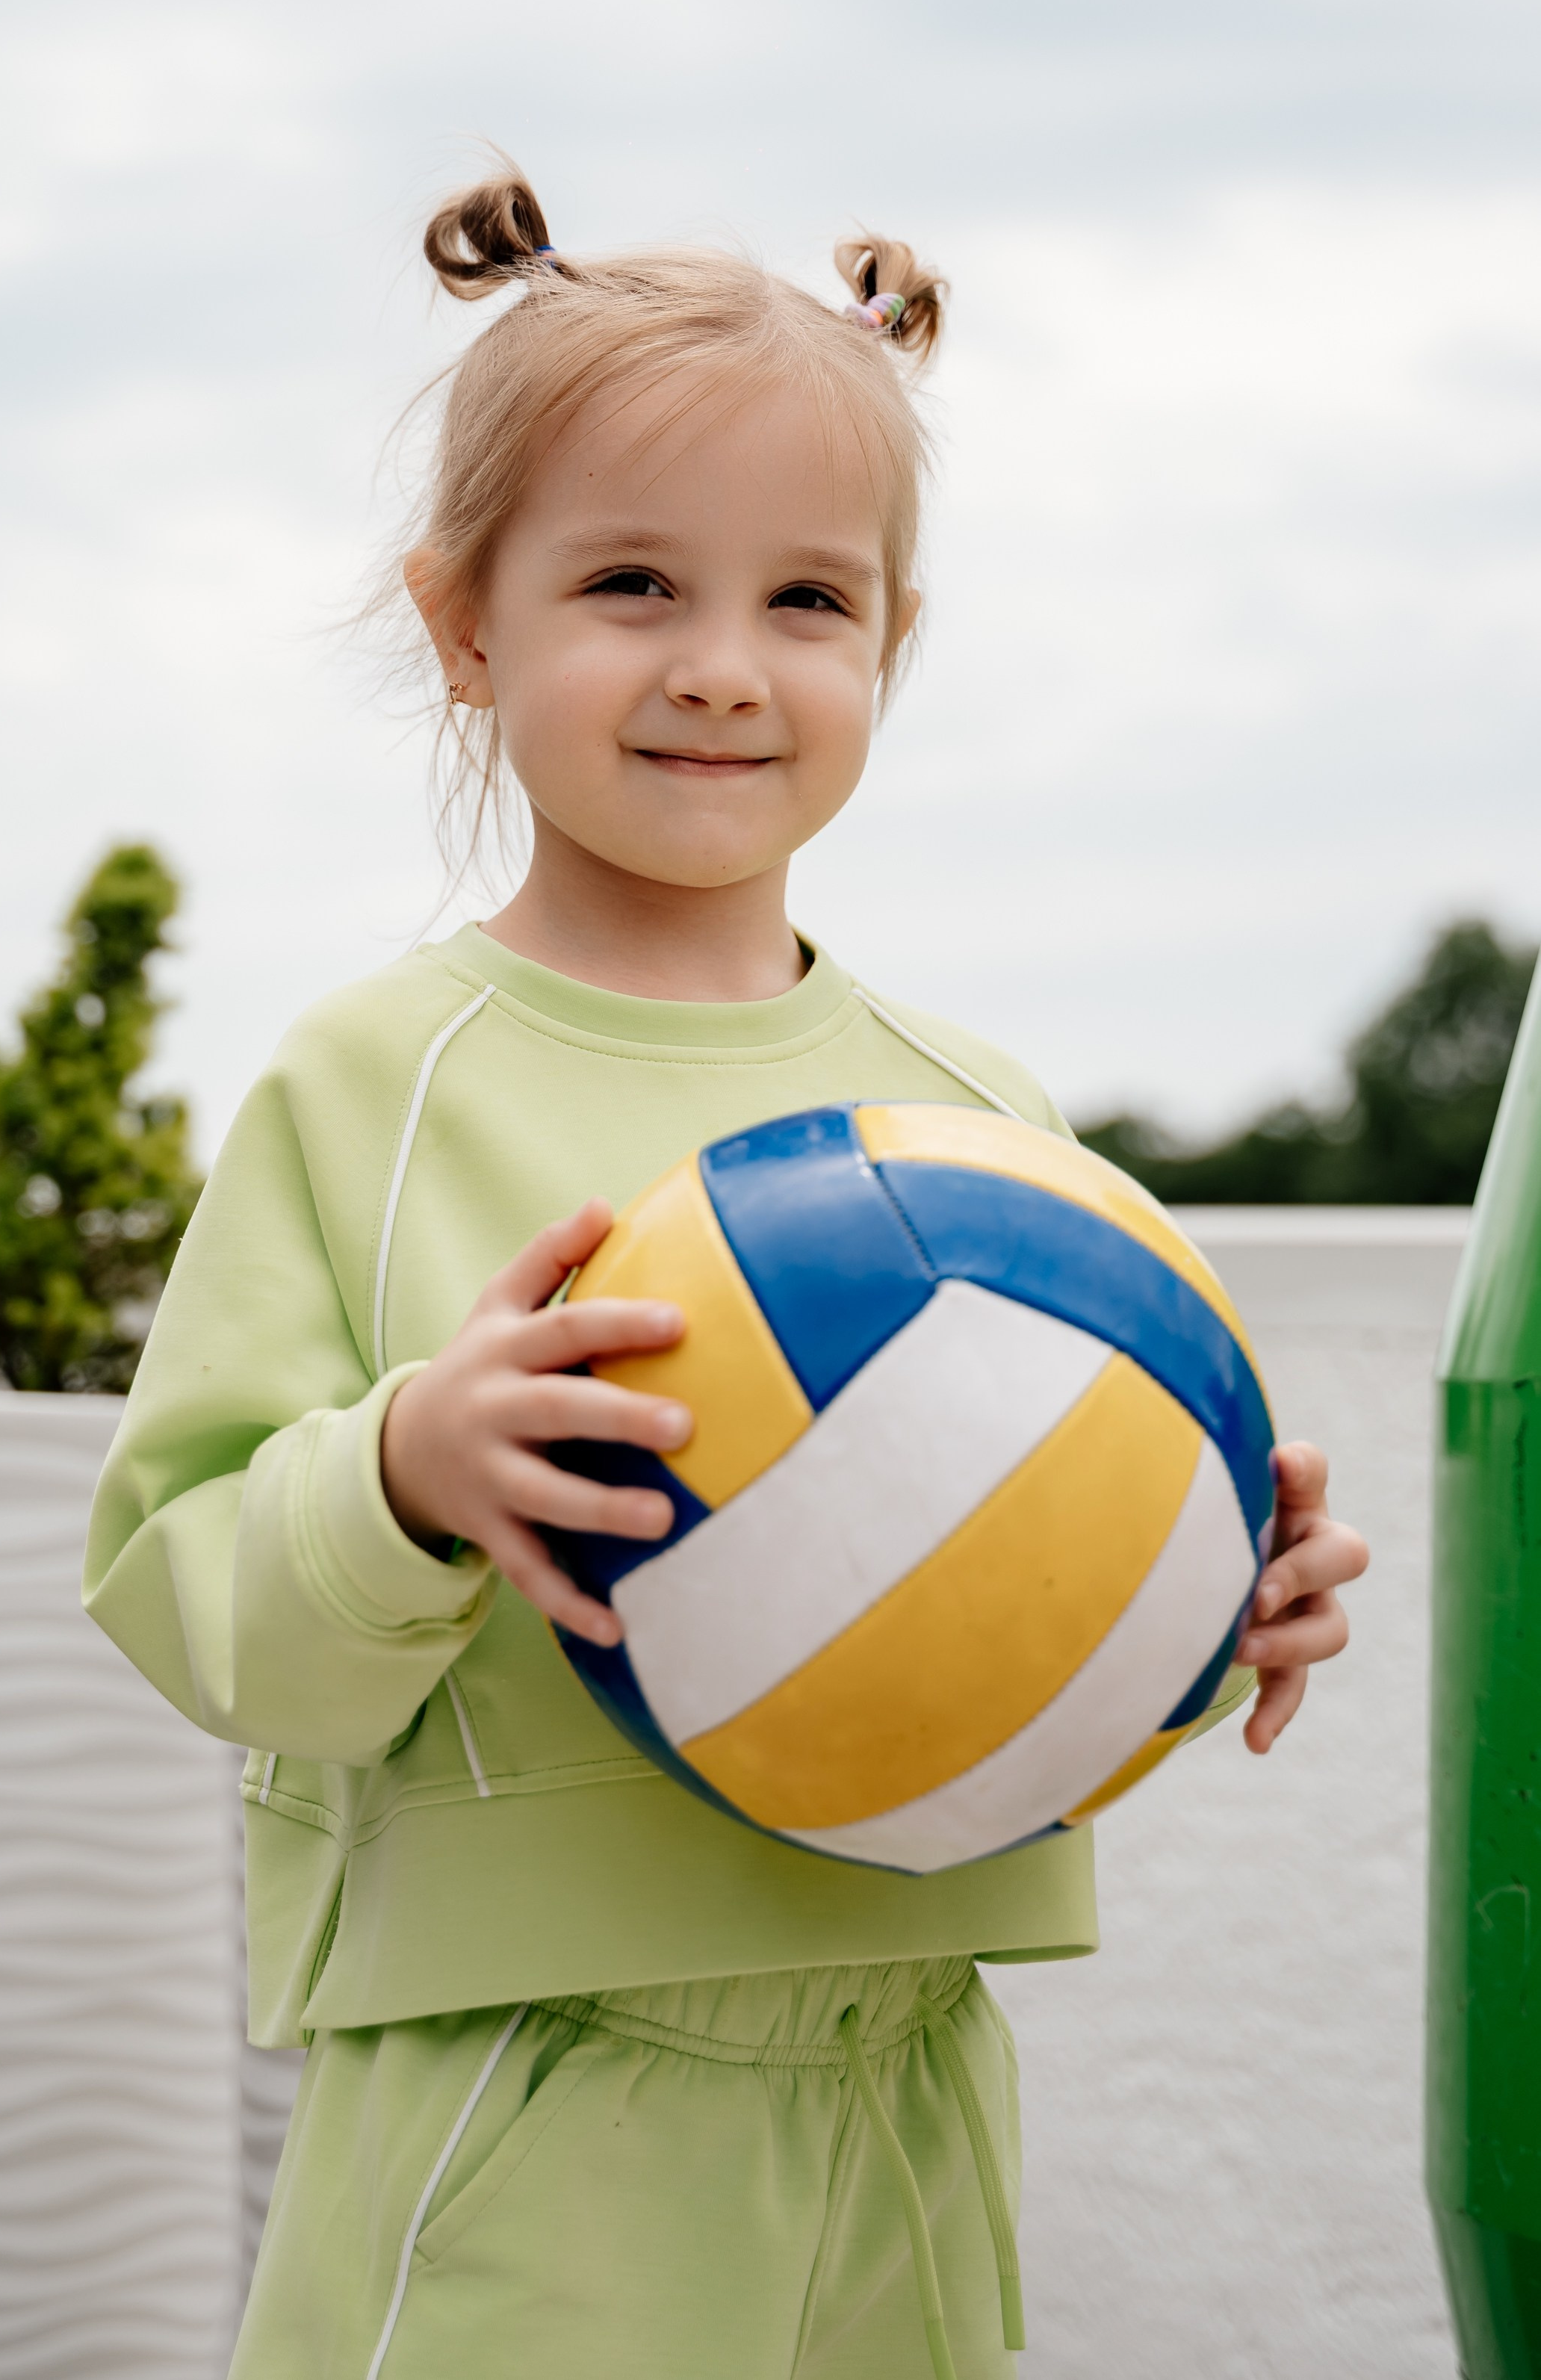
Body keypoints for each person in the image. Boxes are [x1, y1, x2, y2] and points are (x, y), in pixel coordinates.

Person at [84, 170, 1370, 2380]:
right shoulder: (373, 1083)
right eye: (631, 583)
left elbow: (1036, 1540)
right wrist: (402, 1472)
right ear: (466, 624)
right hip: (532, 2074)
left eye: (806, 599)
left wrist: (1215, 1578)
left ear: (890, 642)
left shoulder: (980, 1121)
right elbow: (180, 1583)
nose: (719, 664)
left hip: (906, 2060)